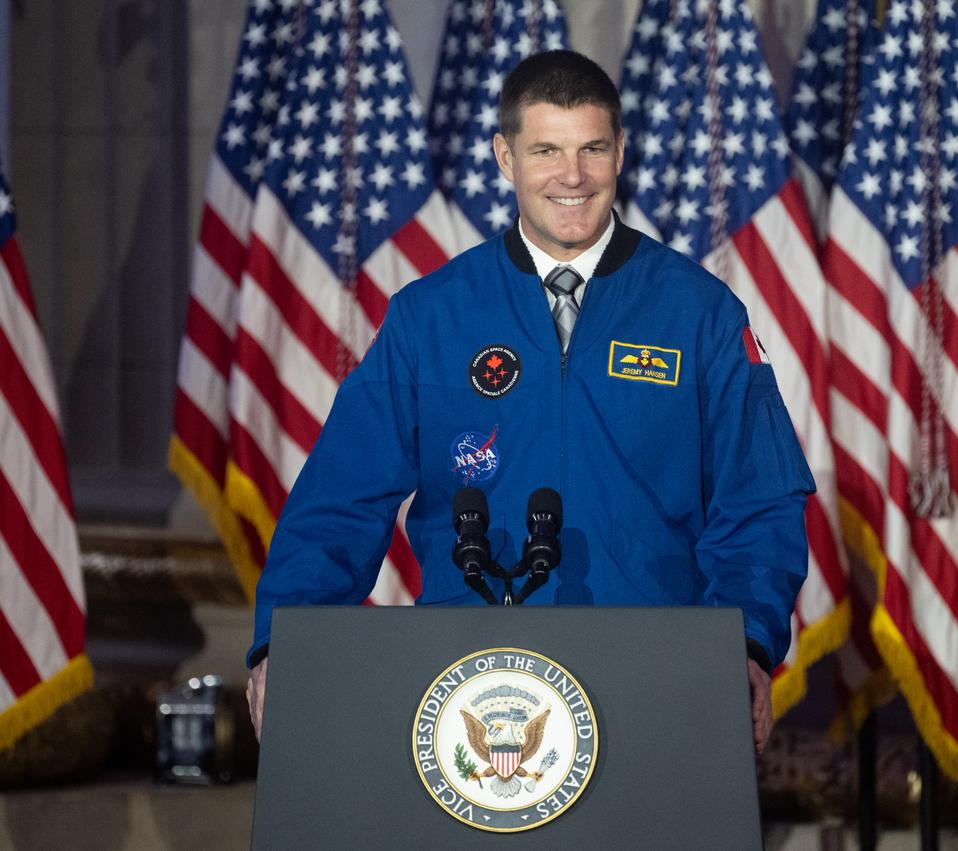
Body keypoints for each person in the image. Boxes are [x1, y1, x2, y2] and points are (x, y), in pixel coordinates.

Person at [246, 50, 815, 754]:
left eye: (592, 149)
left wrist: (747, 643)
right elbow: (339, 498)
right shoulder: (431, 317)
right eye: (546, 150)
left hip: (659, 675)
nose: (572, 176)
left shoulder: (700, 313)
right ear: (505, 157)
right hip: (468, 682)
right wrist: (283, 640)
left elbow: (760, 504)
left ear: (620, 153)